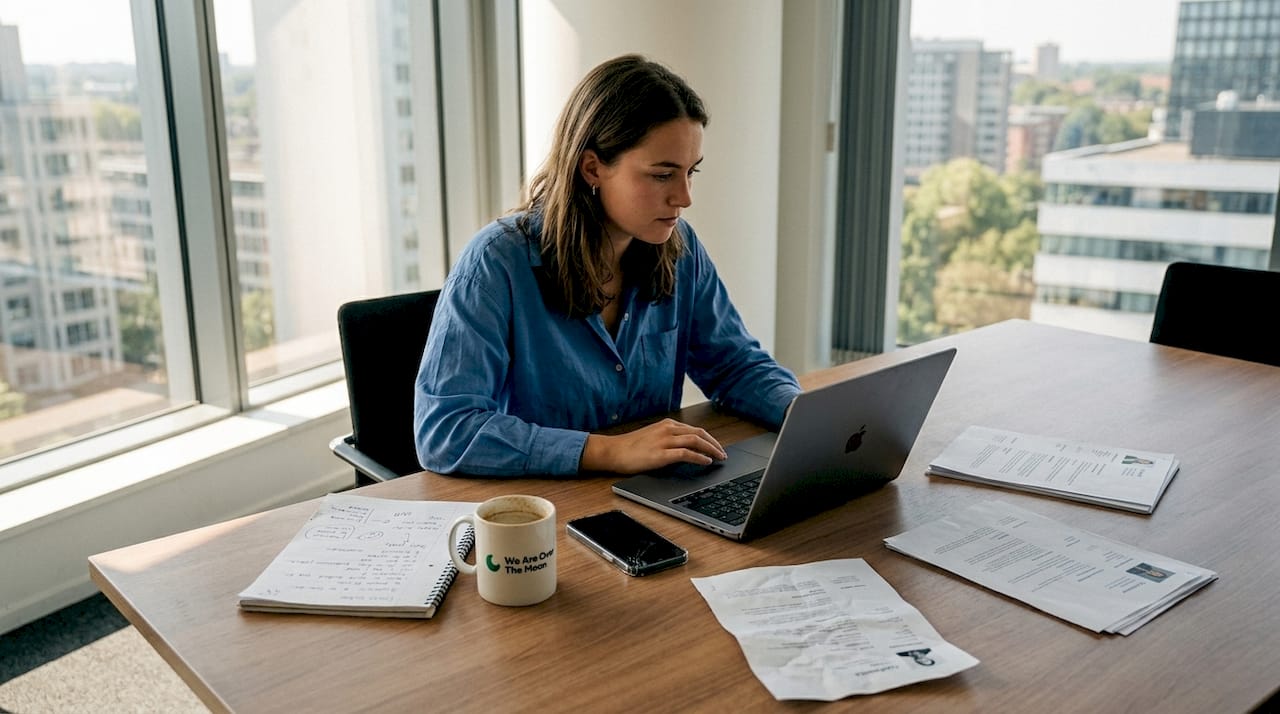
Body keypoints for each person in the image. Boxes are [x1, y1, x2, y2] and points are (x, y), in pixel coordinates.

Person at [413, 54, 801, 477]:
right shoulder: (496, 263)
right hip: (541, 510)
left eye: (691, 172)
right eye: (662, 175)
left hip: (648, 496)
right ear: (593, 168)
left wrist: (806, 416)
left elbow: (734, 365)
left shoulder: (680, 248)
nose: (684, 197)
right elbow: (445, 430)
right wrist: (609, 451)